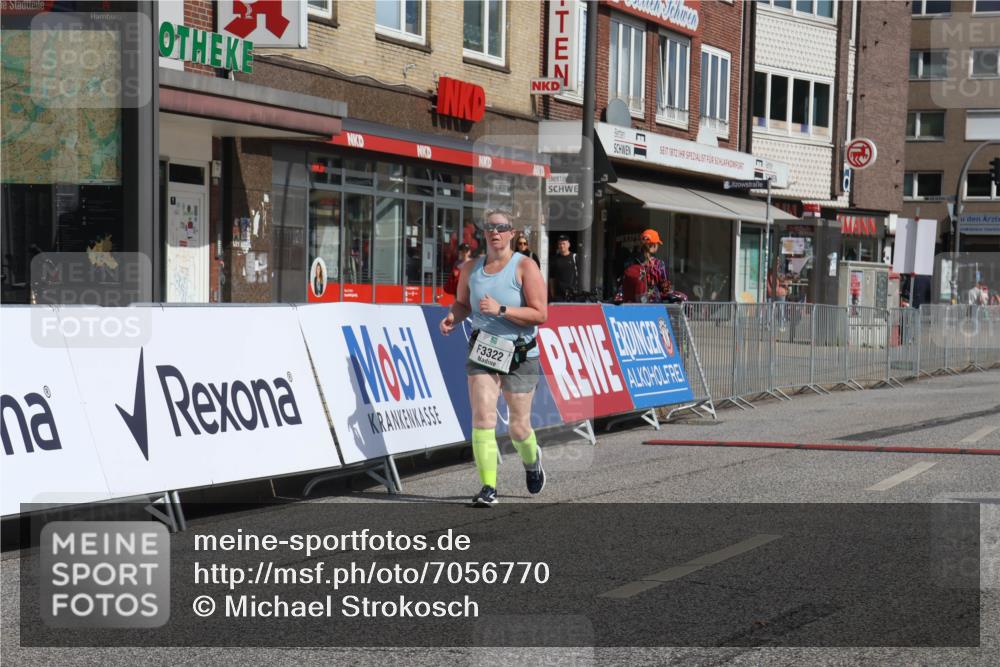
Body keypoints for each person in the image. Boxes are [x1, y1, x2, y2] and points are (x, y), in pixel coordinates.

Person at [439, 210, 548, 507]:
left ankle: (532, 460)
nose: (495, 233)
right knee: (483, 417)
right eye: (489, 228)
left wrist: (502, 310)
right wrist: (452, 316)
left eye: (501, 228)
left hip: (520, 352)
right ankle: (488, 486)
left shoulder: (525, 267)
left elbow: (540, 314)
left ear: (511, 233)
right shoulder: (471, 268)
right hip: (484, 349)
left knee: (518, 427)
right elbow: (462, 304)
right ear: (483, 233)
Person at [617, 229, 672, 303]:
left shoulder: (630, 261)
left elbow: (623, 283)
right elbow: (665, 288)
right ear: (654, 245)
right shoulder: (659, 264)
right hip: (653, 304)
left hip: (632, 303)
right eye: (657, 244)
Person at [549, 234, 579, 301]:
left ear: (568, 244)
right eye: (560, 244)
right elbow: (551, 277)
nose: (562, 246)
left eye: (563, 243)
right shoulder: (554, 259)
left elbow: (580, 275)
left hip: (573, 294)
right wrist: (552, 292)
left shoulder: (575, 257)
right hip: (559, 295)